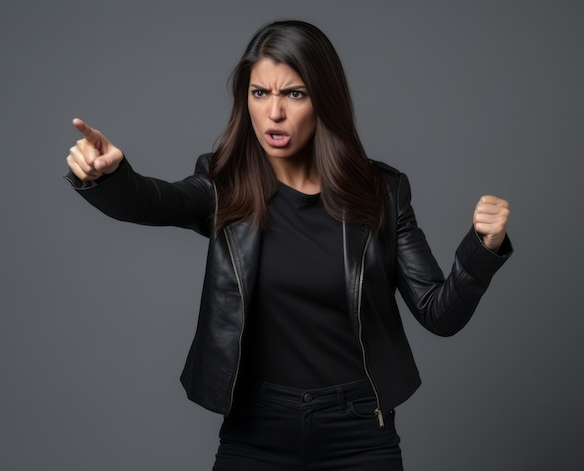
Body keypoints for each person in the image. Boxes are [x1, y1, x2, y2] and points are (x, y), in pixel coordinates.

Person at [65, 20, 511, 471]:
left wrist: (482, 248)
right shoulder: (225, 184)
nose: (273, 113)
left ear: (324, 100)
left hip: (358, 432)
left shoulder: (381, 192)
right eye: (260, 93)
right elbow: (154, 201)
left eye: (293, 94)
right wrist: (108, 176)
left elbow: (439, 312)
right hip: (255, 430)